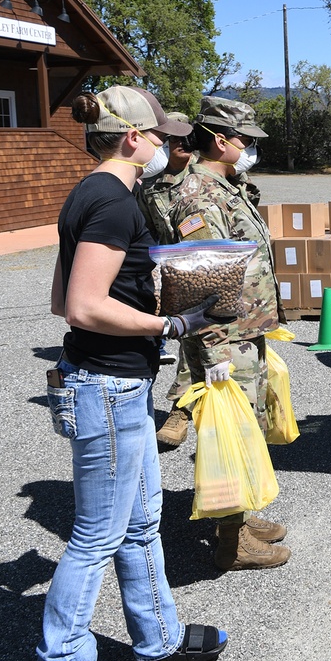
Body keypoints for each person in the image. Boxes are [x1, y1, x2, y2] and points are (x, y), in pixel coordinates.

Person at [39, 85, 228, 661]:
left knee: (142, 522)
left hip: (118, 385)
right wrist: (169, 321)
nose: (165, 144)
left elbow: (58, 298)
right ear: (132, 137)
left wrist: (150, 289)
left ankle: (158, 642)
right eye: (158, 135)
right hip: (105, 386)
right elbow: (82, 307)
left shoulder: (89, 195)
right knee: (96, 536)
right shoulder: (115, 202)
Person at [167, 96, 291, 572]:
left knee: (250, 426)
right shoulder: (199, 195)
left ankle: (239, 518)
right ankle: (231, 541)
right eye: (245, 140)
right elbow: (201, 283)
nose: (250, 147)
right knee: (230, 433)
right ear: (220, 141)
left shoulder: (228, 187)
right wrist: (215, 353)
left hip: (245, 330)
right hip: (223, 338)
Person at [136, 112, 199, 444]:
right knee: (148, 338)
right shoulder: (148, 189)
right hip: (166, 273)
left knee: (193, 342)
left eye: (187, 138)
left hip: (204, 273)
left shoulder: (206, 180)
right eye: (174, 140)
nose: (183, 145)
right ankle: (137, 404)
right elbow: (143, 233)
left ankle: (181, 411)